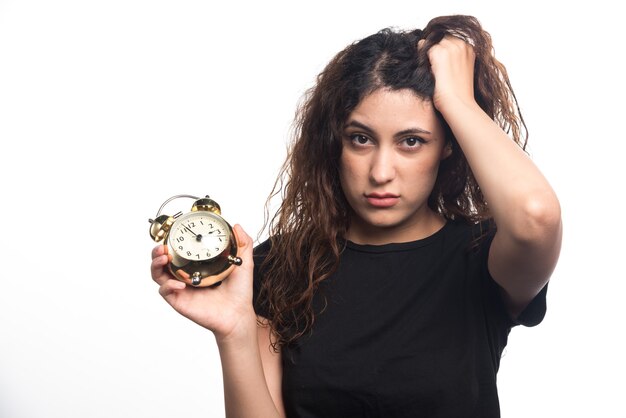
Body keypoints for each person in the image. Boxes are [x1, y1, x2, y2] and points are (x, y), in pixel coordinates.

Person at [150, 14, 562, 418]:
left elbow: (536, 215)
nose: (381, 172)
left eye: (412, 142)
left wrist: (456, 100)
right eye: (361, 139)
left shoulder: (483, 257)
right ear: (336, 143)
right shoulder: (280, 265)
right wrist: (235, 331)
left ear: (448, 146)